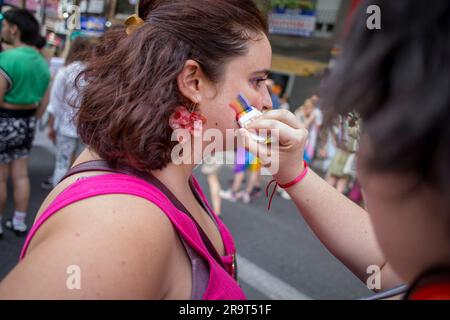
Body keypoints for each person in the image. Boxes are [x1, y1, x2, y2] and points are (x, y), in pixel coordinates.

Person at [0, 0, 272, 299]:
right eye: (257, 81)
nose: (268, 102)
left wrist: (296, 176)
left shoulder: (166, 166)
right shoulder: (117, 229)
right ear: (193, 81)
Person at [238, 0, 450, 299]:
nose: (267, 102)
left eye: (367, 120)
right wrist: (295, 173)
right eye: (256, 81)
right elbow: (388, 268)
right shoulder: (428, 266)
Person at [0, 9, 50, 238]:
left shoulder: (8, 58)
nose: (3, 30)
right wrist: (32, 119)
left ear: (14, 29)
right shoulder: (42, 62)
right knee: (21, 174)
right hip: (27, 122)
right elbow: (44, 100)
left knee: (1, 176)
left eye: (5, 25)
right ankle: (19, 222)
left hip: (5, 121)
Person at [45, 37, 94, 188]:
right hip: (85, 129)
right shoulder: (94, 73)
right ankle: (74, 195)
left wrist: (51, 126)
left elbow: (55, 103)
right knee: (80, 167)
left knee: (62, 164)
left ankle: (56, 197)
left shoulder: (65, 72)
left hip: (65, 128)